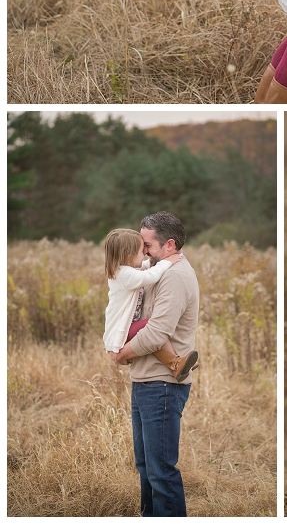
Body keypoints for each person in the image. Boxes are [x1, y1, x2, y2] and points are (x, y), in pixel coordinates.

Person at [108, 212, 200, 517]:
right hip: (146, 381)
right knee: (146, 467)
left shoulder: (174, 275)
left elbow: (157, 332)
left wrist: (122, 354)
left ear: (169, 244)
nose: (143, 250)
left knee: (161, 472)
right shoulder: (156, 267)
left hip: (162, 385)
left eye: (147, 244)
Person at [103, 228, 198, 383]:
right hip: (123, 329)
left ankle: (177, 364)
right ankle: (175, 363)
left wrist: (158, 261)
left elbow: (146, 266)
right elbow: (150, 276)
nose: (145, 253)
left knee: (152, 331)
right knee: (151, 327)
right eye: (142, 251)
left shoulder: (127, 269)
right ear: (129, 257)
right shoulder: (124, 274)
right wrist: (167, 262)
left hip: (127, 326)